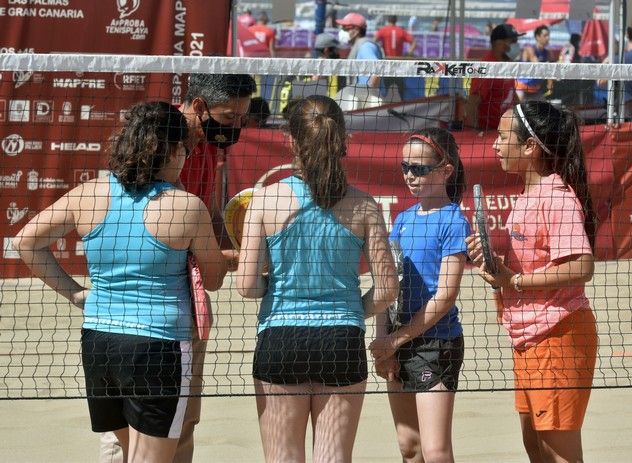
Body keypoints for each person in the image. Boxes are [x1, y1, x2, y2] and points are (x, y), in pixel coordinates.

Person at [13, 101, 230, 463]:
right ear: (175, 149)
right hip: (158, 347)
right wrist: (226, 259)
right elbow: (213, 279)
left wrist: (77, 294)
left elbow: (25, 242)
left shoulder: (90, 192)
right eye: (186, 151)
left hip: (99, 344)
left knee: (130, 455)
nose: (188, 159)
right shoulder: (186, 207)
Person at [99, 73, 257, 463]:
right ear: (199, 107)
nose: (235, 125)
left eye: (242, 117)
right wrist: (233, 258)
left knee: (182, 420)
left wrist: (235, 244)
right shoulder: (156, 141)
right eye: (229, 115)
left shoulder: (206, 146)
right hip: (143, 306)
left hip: (185, 300)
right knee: (130, 434)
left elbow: (206, 214)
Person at [236, 95, 398, 462]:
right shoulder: (364, 205)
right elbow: (388, 290)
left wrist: (274, 284)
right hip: (341, 339)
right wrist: (348, 309)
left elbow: (246, 286)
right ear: (343, 141)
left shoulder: (265, 201)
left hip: (281, 338)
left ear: (290, 141)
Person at [466, 101, 598, 462]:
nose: (495, 144)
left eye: (502, 136)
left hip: (557, 335)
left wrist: (517, 280)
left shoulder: (556, 199)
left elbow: (582, 266)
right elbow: (513, 274)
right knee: (534, 446)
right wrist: (495, 268)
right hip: (528, 337)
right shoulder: (526, 197)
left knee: (559, 454)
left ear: (530, 147)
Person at [370, 127, 469, 462]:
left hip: (435, 341)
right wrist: (384, 341)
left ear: (445, 170)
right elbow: (388, 283)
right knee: (409, 448)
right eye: (405, 167)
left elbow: (446, 295)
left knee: (435, 450)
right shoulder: (402, 219)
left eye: (420, 168)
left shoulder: (453, 220)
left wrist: (396, 339)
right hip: (399, 338)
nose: (410, 175)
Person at [466, 23, 523, 131]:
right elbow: (473, 102)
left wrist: (523, 117)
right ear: (500, 43)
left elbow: (511, 94)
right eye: (513, 41)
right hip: (487, 131)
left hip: (504, 130)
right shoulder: (487, 67)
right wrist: (474, 134)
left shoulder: (508, 64)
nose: (516, 45)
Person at [336, 12, 384, 89]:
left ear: (357, 29)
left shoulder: (366, 46)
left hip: (368, 97)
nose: (342, 31)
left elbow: (377, 69)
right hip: (361, 95)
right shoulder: (359, 45)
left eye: (346, 28)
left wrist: (369, 93)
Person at [515, 25, 553, 101]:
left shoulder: (548, 53)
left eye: (548, 35)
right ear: (537, 37)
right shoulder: (529, 49)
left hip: (534, 89)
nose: (548, 38)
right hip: (521, 87)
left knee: (544, 110)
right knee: (520, 110)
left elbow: (552, 69)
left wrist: (550, 83)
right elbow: (537, 65)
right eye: (545, 35)